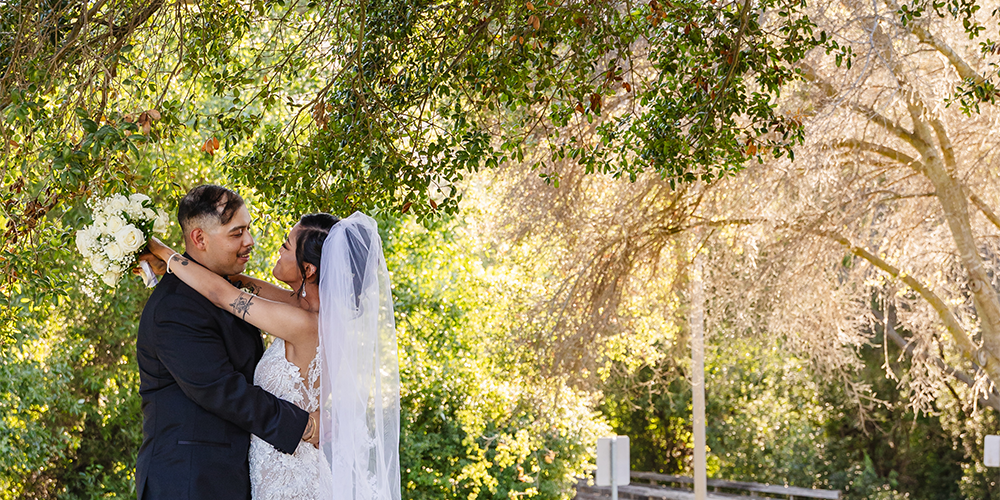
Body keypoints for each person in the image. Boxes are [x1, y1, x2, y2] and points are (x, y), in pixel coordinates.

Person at [145, 207, 401, 500]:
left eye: (286, 246)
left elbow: (222, 294)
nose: (277, 250)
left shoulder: (301, 323)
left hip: (286, 475)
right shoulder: (309, 311)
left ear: (308, 270)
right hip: (284, 460)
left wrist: (162, 250)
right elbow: (242, 283)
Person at [136, 185, 318, 500]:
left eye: (248, 230)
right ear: (199, 239)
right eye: (237, 233)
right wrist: (306, 427)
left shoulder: (231, 291)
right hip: (192, 481)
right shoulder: (176, 306)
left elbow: (227, 294)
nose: (250, 242)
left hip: (235, 476)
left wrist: (167, 254)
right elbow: (222, 391)